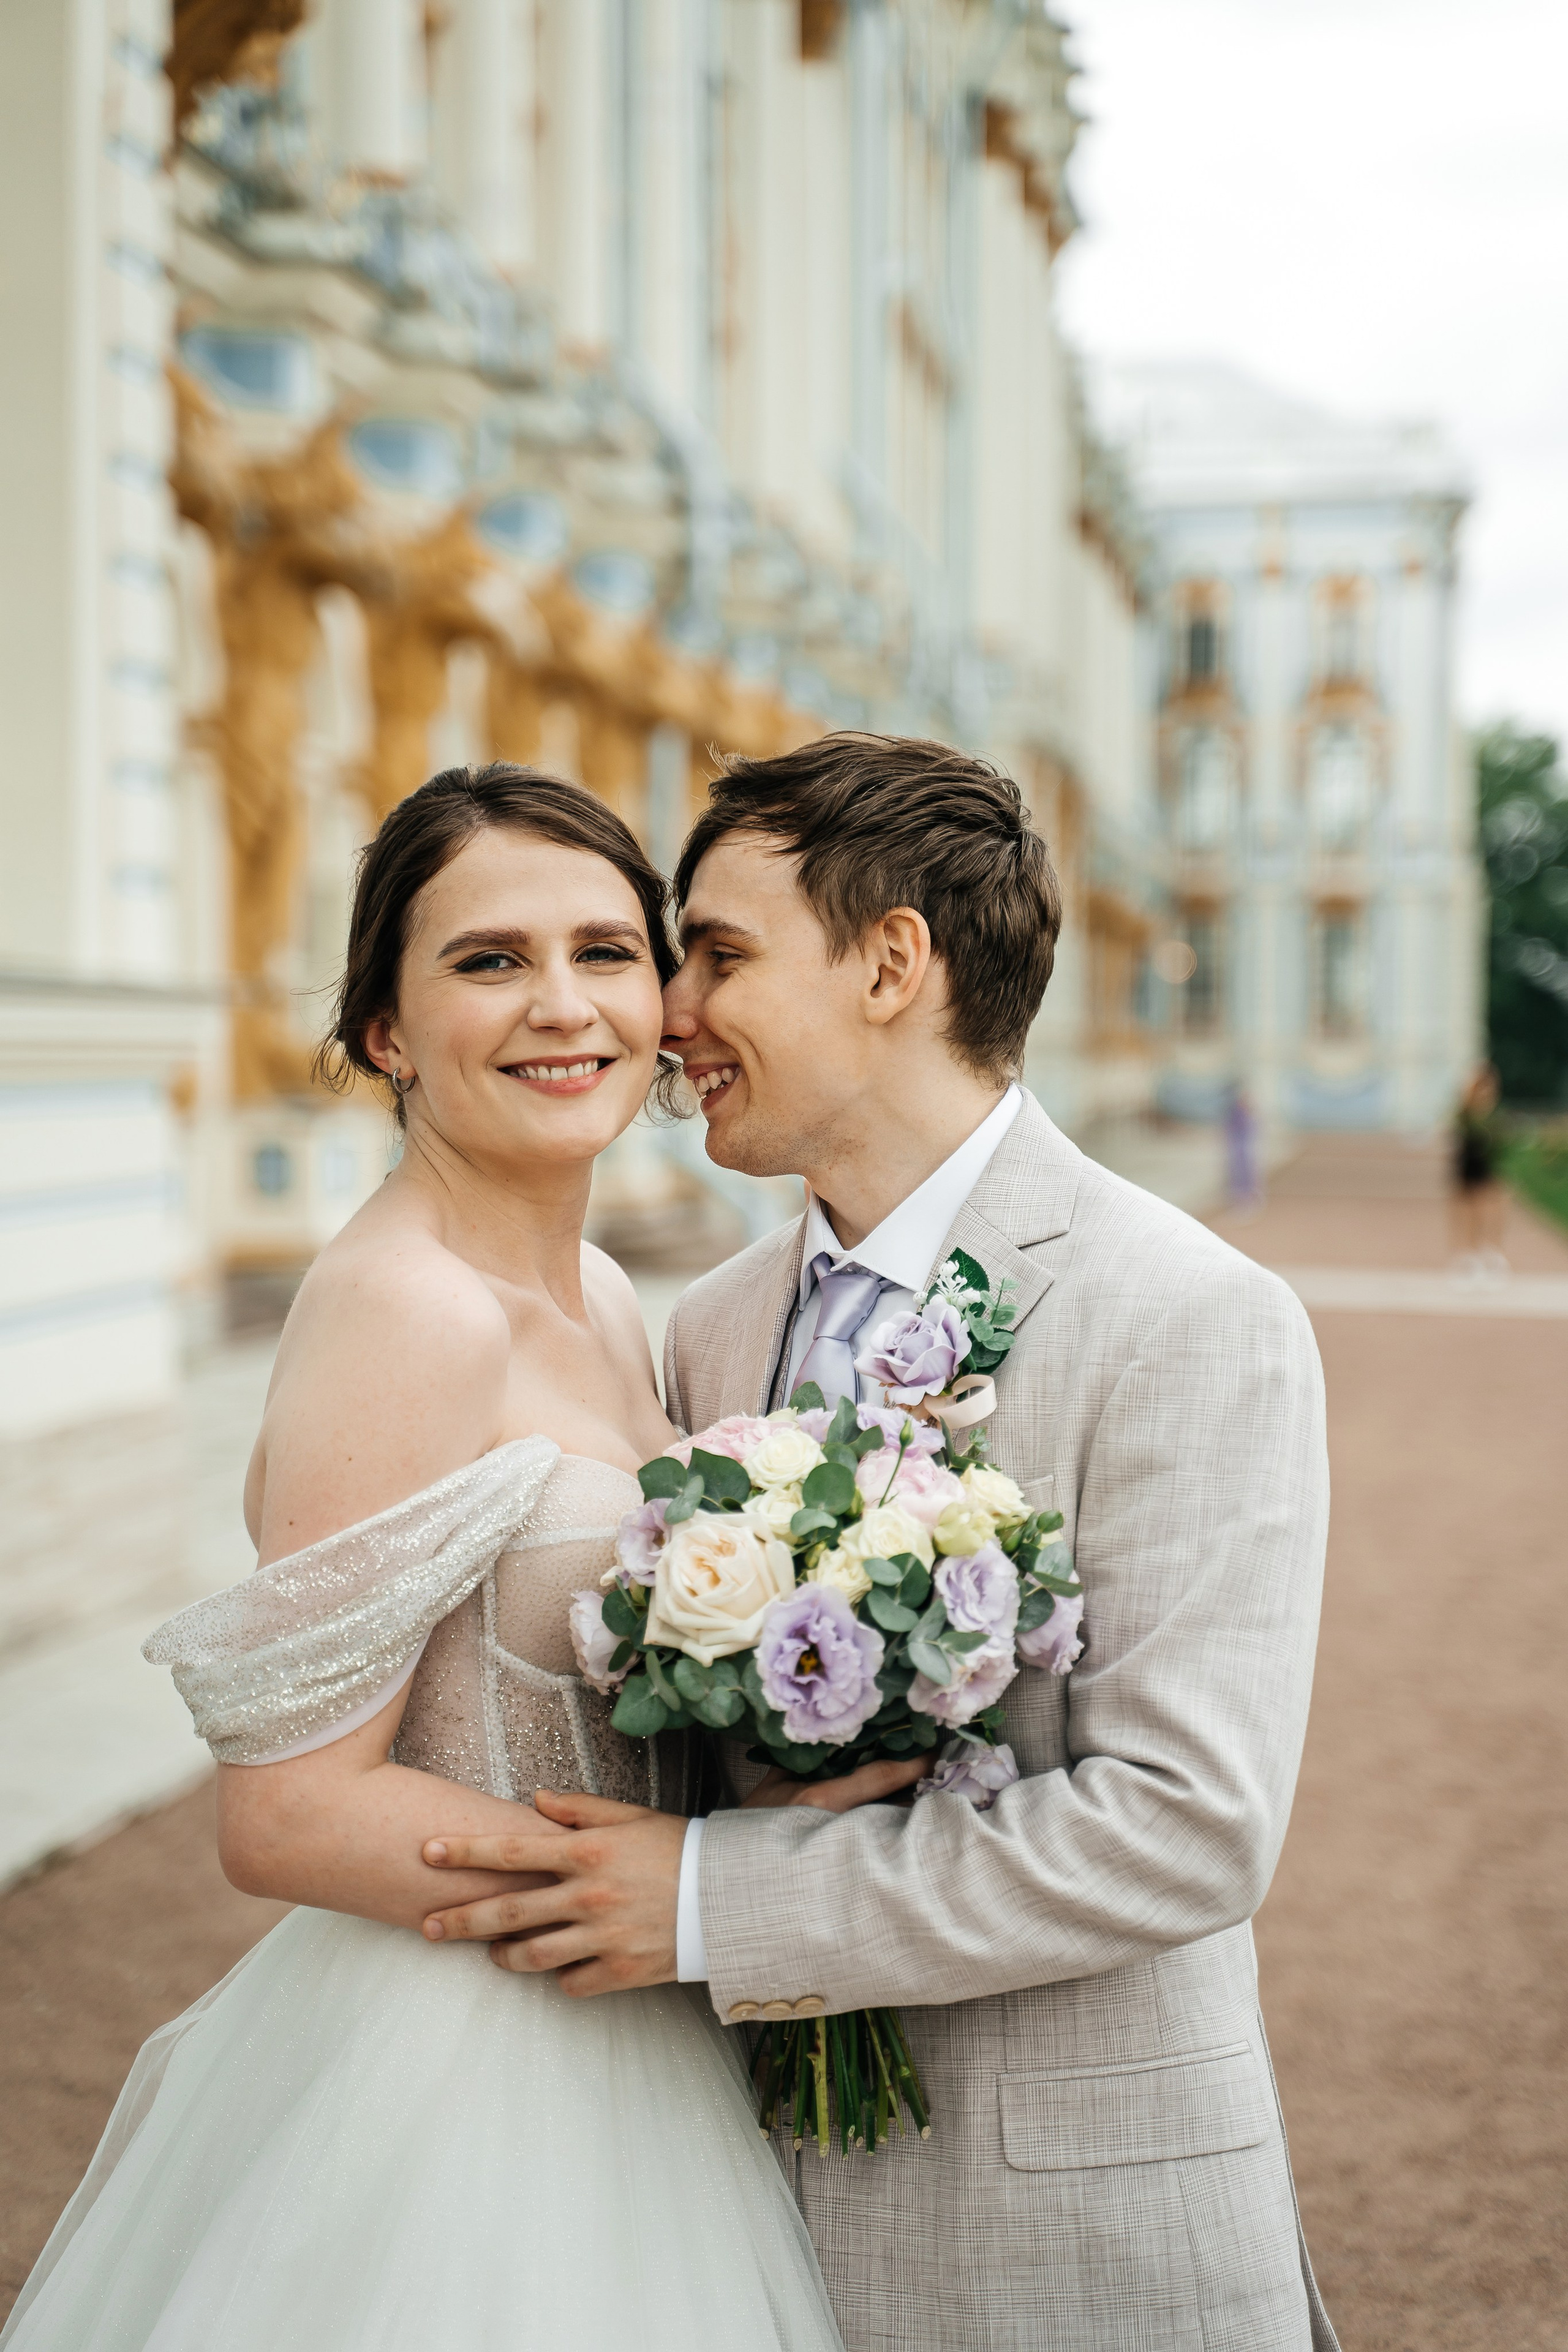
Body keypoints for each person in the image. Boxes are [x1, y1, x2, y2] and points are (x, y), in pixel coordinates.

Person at [422, 735, 1341, 2352]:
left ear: (893, 963)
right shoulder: (709, 1329)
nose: (670, 1014)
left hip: (1076, 2235)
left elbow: (1187, 1825)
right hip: (737, 2227)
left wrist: (714, 1906)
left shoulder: (1189, 1317)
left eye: (716, 953)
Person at [1, 763, 909, 2352]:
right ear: (386, 1032)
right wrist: (666, 1886)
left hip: (639, 2016)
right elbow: (286, 1813)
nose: (563, 1007)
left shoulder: (617, 1297)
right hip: (471, 2067)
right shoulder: (403, 1310)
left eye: (606, 952)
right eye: (489, 962)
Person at [1450, 1060, 1508, 1275]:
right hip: (1468, 1165)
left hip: (1488, 1167)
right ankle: (1468, 1252)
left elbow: (1500, 1143)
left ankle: (1491, 1252)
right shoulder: (1466, 1112)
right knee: (1468, 1211)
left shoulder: (1495, 1114)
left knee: (1492, 1210)